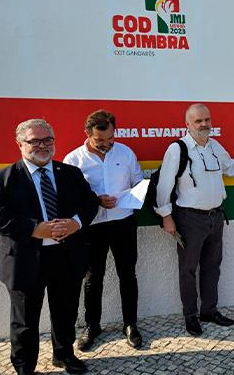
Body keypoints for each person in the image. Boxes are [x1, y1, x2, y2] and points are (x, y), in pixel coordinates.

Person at [0, 119, 99, 375]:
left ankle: (64, 355)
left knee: (66, 311)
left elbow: (90, 203)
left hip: (67, 256)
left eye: (47, 140)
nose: (42, 146)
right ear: (20, 144)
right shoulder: (2, 178)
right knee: (25, 320)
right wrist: (35, 229)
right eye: (34, 141)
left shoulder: (70, 173)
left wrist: (76, 223)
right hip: (25, 259)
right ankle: (25, 366)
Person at [155, 103, 234, 336]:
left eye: (207, 120)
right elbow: (164, 186)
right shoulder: (178, 149)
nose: (204, 124)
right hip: (188, 219)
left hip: (216, 217)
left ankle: (209, 310)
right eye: (198, 121)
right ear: (187, 125)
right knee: (188, 270)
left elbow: (231, 168)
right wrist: (166, 217)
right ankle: (191, 316)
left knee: (212, 267)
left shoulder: (214, 146)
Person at [64, 110, 145, 351]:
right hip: (92, 227)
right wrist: (95, 200)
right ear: (88, 134)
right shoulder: (73, 160)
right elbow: (69, 198)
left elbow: (138, 182)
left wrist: (133, 194)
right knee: (92, 278)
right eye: (101, 141)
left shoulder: (125, 152)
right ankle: (92, 326)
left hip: (123, 222)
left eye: (111, 138)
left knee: (128, 274)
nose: (107, 144)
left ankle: (130, 324)